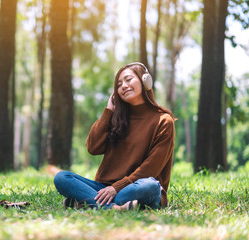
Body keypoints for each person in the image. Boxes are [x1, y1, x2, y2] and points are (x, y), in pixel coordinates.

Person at [54, 62, 175, 210]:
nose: (123, 86)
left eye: (128, 79)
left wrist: (116, 188)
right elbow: (92, 147)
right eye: (119, 84)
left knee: (149, 186)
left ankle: (86, 202)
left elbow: (151, 168)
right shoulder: (116, 119)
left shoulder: (163, 121)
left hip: (135, 187)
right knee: (62, 178)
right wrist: (108, 112)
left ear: (145, 81)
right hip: (104, 188)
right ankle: (113, 207)